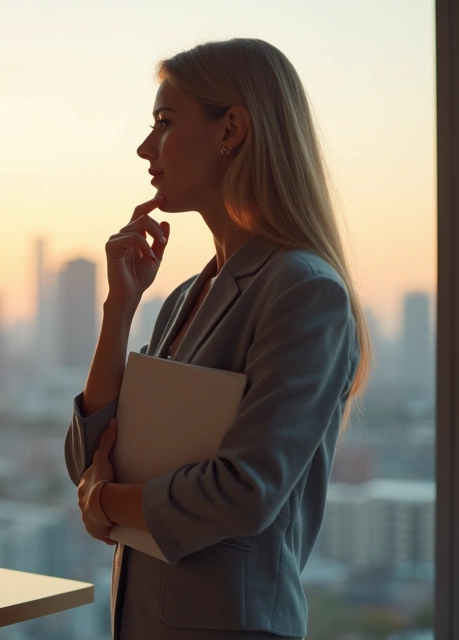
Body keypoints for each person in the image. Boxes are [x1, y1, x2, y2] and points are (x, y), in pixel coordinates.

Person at [63, 38, 371, 639]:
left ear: (231, 128)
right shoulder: (184, 298)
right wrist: (119, 310)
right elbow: (90, 461)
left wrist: (104, 504)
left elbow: (244, 490)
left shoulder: (304, 291)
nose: (145, 147)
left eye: (165, 123)